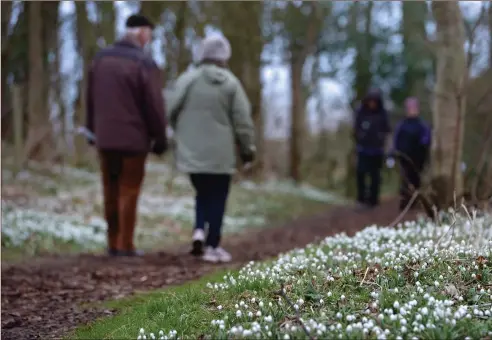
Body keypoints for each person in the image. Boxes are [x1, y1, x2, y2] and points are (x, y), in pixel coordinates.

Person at [167, 34, 256, 263]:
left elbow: (170, 109)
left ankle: (198, 229)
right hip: (221, 154)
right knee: (218, 196)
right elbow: (243, 121)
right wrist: (248, 151)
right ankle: (212, 245)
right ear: (224, 56)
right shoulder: (231, 83)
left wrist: (177, 134)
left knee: (202, 193)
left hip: (192, 151)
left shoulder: (188, 80)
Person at [86, 14, 168, 257]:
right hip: (134, 140)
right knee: (128, 189)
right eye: (149, 35)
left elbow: (90, 98)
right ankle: (125, 244)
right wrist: (160, 136)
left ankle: (112, 242)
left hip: (105, 138)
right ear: (142, 33)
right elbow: (153, 104)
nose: (149, 39)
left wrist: (91, 130)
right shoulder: (144, 62)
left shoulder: (100, 60)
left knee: (110, 188)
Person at [353, 89, 391, 208]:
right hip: (363, 149)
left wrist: (384, 145)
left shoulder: (382, 114)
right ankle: (361, 199)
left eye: (374, 101)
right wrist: (360, 137)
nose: (372, 104)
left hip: (377, 151)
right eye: (370, 101)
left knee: (375, 176)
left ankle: (373, 200)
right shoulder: (361, 112)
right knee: (361, 174)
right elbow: (355, 129)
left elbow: (387, 130)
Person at [392, 97, 431, 211]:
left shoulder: (422, 125)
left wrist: (423, 145)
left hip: (419, 157)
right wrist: (395, 152)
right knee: (405, 179)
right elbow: (396, 140)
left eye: (414, 108)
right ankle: (405, 201)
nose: (412, 110)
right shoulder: (402, 125)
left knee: (416, 179)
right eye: (410, 108)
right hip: (405, 157)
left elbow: (426, 138)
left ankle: (415, 201)